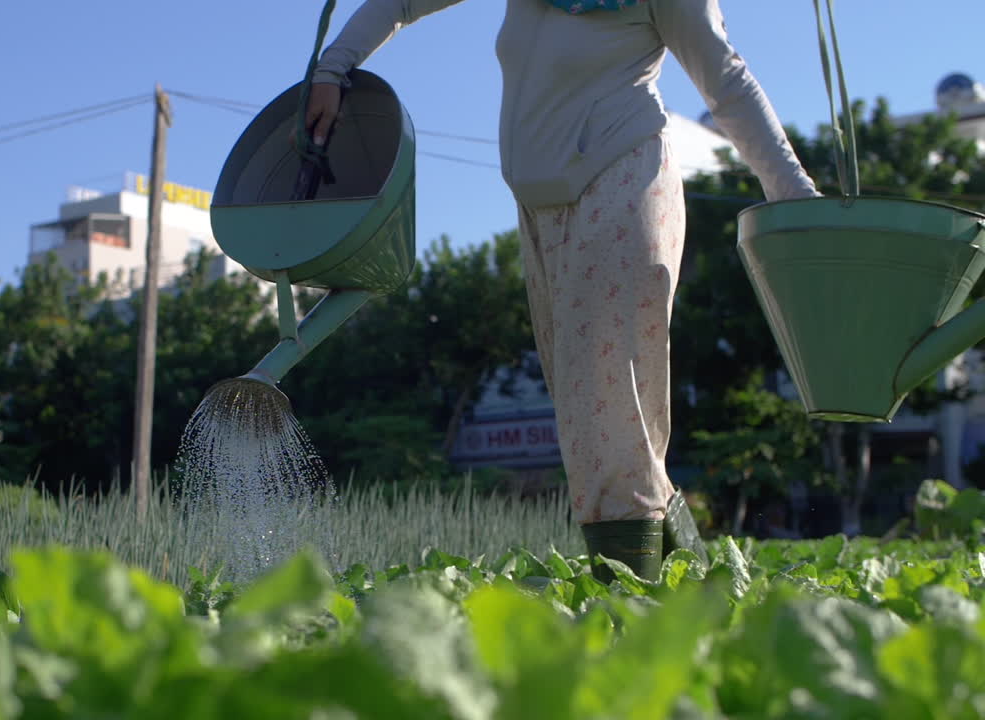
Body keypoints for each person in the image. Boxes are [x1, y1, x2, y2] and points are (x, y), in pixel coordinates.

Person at [303, 0, 819, 583]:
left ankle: (626, 595)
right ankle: (693, 586)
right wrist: (333, 68)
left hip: (622, 183)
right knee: (592, 415)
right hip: (540, 209)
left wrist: (795, 196)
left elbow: (726, 79)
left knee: (604, 405)